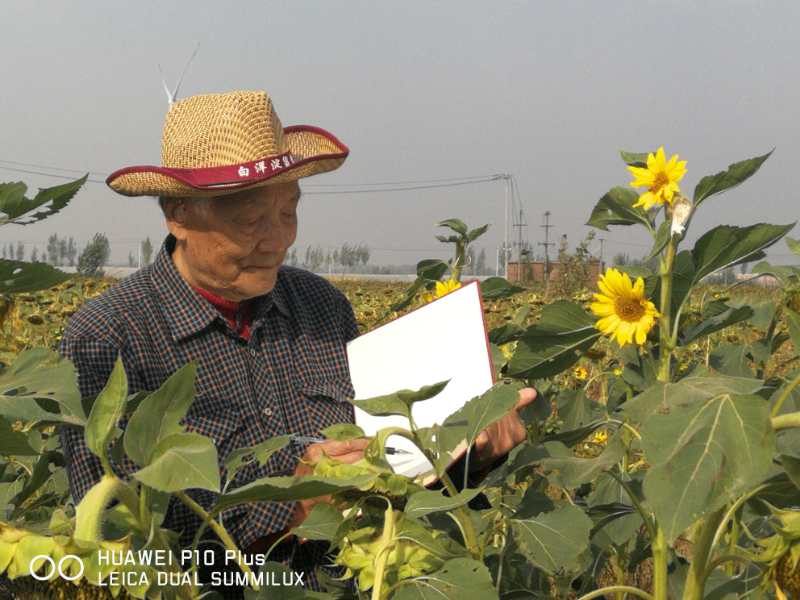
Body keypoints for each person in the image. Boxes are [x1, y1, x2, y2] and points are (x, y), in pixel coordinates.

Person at [58, 90, 536, 597]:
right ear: (178, 215)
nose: (279, 239)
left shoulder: (322, 308)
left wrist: (465, 453)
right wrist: (292, 503)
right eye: (250, 221)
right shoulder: (108, 339)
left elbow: (391, 482)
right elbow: (116, 544)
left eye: (289, 211)